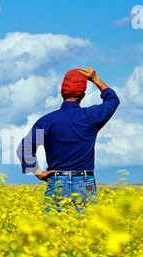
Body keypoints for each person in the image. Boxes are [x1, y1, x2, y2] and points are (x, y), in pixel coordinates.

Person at [17, 68, 120, 213]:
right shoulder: (91, 117)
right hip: (85, 182)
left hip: (57, 180)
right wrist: (95, 79)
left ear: (61, 93)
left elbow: (24, 148)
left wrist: (38, 172)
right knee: (87, 231)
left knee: (52, 231)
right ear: (83, 96)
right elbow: (113, 100)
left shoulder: (47, 121)